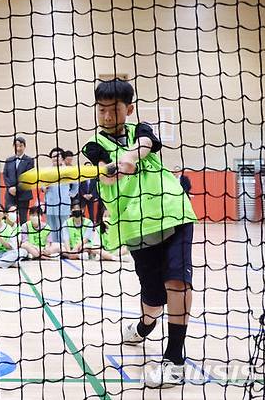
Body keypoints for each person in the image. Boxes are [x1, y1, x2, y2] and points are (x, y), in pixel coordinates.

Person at [82, 78, 197, 387]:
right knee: (153, 296)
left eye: (113, 110)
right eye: (101, 110)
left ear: (128, 109)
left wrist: (131, 156)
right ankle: (145, 325)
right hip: (136, 227)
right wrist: (111, 170)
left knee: (178, 282)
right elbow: (104, 176)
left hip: (173, 213)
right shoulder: (93, 145)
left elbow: (146, 145)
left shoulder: (142, 130)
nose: (106, 116)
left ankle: (174, 359)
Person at [44, 147, 78, 244]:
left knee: (63, 226)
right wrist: (44, 188)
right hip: (50, 202)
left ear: (62, 158)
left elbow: (76, 184)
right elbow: (42, 185)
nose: (55, 158)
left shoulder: (68, 170)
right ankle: (54, 246)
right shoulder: (47, 171)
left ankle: (64, 246)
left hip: (63, 202)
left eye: (57, 156)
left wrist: (71, 194)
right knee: (51, 226)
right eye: (53, 156)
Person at [3, 136, 35, 224]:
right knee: (9, 217)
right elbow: (5, 176)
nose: (18, 148)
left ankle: (22, 237)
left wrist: (17, 188)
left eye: (21, 146)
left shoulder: (29, 160)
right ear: (13, 147)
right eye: (16, 146)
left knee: (23, 218)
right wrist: (10, 188)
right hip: (10, 194)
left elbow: (28, 177)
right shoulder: (9, 160)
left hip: (23, 194)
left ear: (24, 146)